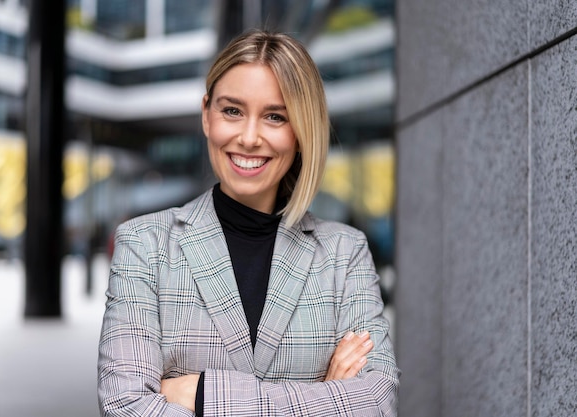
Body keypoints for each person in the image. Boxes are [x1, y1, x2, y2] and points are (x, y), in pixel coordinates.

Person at [98, 29, 399, 416]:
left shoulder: (344, 252)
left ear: (302, 133)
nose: (250, 137)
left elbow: (375, 403)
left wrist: (204, 395)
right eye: (232, 111)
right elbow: (125, 406)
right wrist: (325, 397)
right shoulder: (145, 245)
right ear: (207, 114)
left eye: (275, 116)